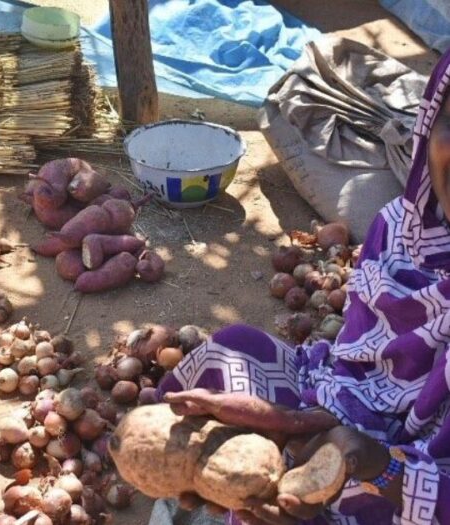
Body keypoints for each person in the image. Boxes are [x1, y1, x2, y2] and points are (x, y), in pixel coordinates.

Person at [153, 50, 450, 525]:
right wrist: (303, 423)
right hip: (368, 430)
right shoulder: (402, 231)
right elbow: (360, 372)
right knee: (235, 351)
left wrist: (382, 467)